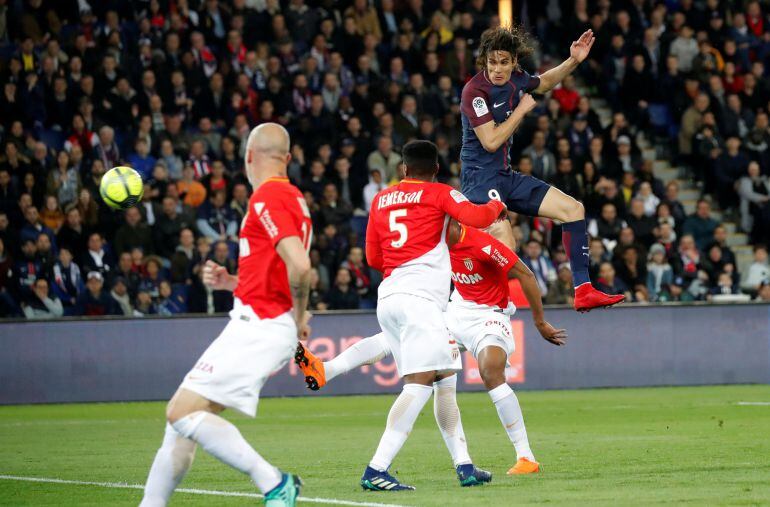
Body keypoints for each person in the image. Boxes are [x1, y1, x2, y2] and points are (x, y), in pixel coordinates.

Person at [296, 218, 566, 477]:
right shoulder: (436, 246)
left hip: (490, 316)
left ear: (454, 225)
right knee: (394, 340)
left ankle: (525, 456)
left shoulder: (482, 244)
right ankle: (326, 369)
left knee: (490, 373)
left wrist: (540, 322)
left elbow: (527, 275)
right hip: (454, 310)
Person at [139, 124, 311, 507]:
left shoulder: (268, 196)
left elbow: (300, 267)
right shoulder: (293, 198)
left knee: (180, 412)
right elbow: (280, 273)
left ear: (249, 157)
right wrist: (232, 282)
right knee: (182, 426)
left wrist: (299, 318)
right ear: (287, 156)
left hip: (260, 325)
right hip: (261, 318)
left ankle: (274, 482)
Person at [351, 140, 505, 491]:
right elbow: (479, 217)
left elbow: (374, 258)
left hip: (389, 297)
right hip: (420, 301)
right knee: (419, 384)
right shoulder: (440, 193)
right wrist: (498, 204)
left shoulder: (380, 199)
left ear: (403, 169)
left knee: (444, 376)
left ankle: (464, 465)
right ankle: (377, 468)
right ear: (436, 168)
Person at [458, 25, 623, 312]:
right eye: (492, 62)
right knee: (505, 244)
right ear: (484, 59)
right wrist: (522, 110)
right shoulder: (474, 91)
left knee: (573, 209)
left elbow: (543, 83)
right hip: (480, 180)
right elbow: (491, 141)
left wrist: (573, 61)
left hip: (506, 176)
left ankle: (583, 290)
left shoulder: (516, 80)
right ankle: (471, 310)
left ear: (514, 62)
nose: (497, 69)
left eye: (504, 62)